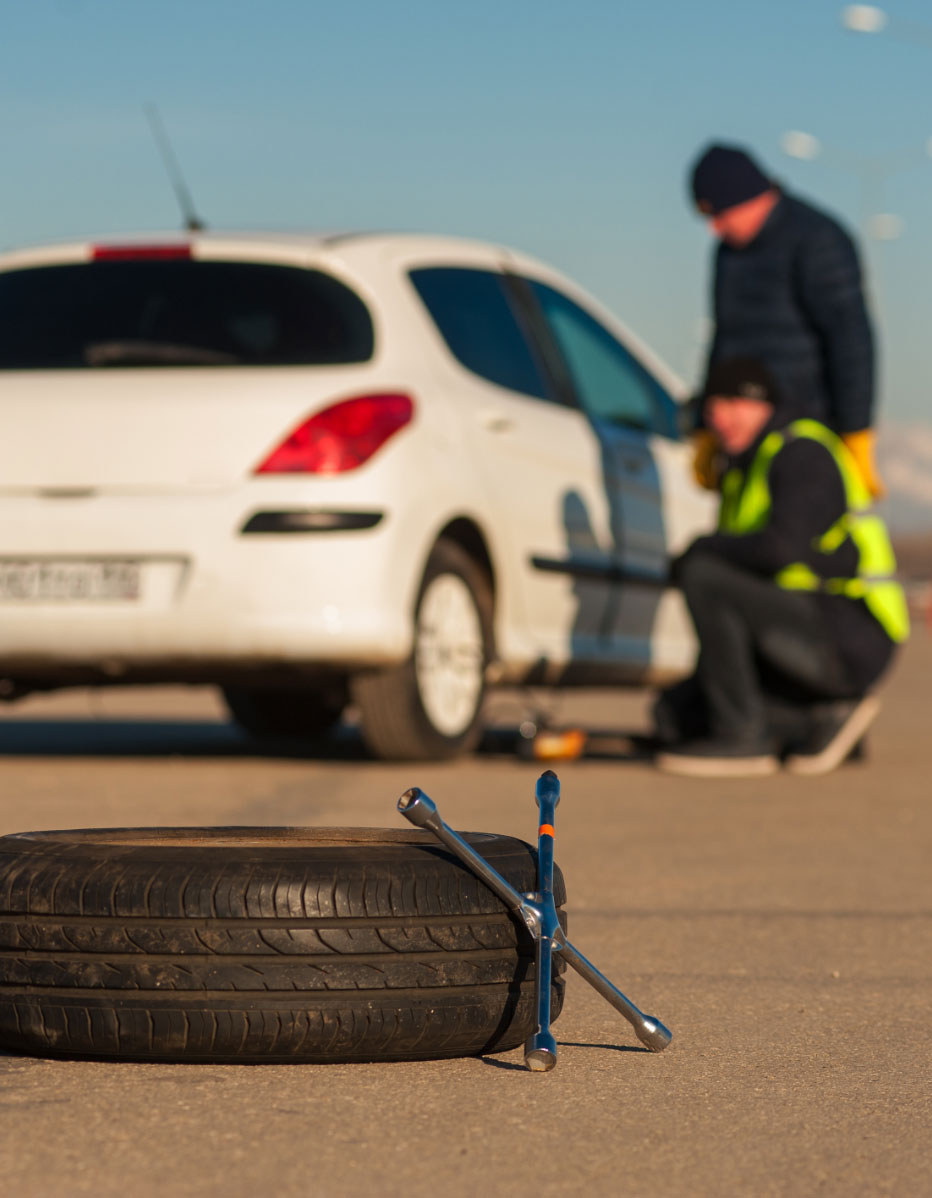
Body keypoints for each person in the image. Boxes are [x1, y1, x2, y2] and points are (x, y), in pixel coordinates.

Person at [654, 357, 908, 778]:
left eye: (732, 403)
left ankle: (742, 738)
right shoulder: (745, 467)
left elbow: (780, 551)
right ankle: (822, 721)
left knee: (704, 572)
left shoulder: (802, 452)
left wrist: (699, 549)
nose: (719, 418)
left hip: (848, 632)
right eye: (712, 407)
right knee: (676, 716)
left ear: (763, 405)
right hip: (797, 625)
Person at [688, 142, 883, 497]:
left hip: (804, 433)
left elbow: (850, 340)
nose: (714, 229)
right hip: (744, 437)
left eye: (719, 214)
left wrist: (856, 430)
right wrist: (705, 423)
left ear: (748, 197)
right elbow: (724, 341)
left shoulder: (818, 239)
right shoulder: (728, 253)